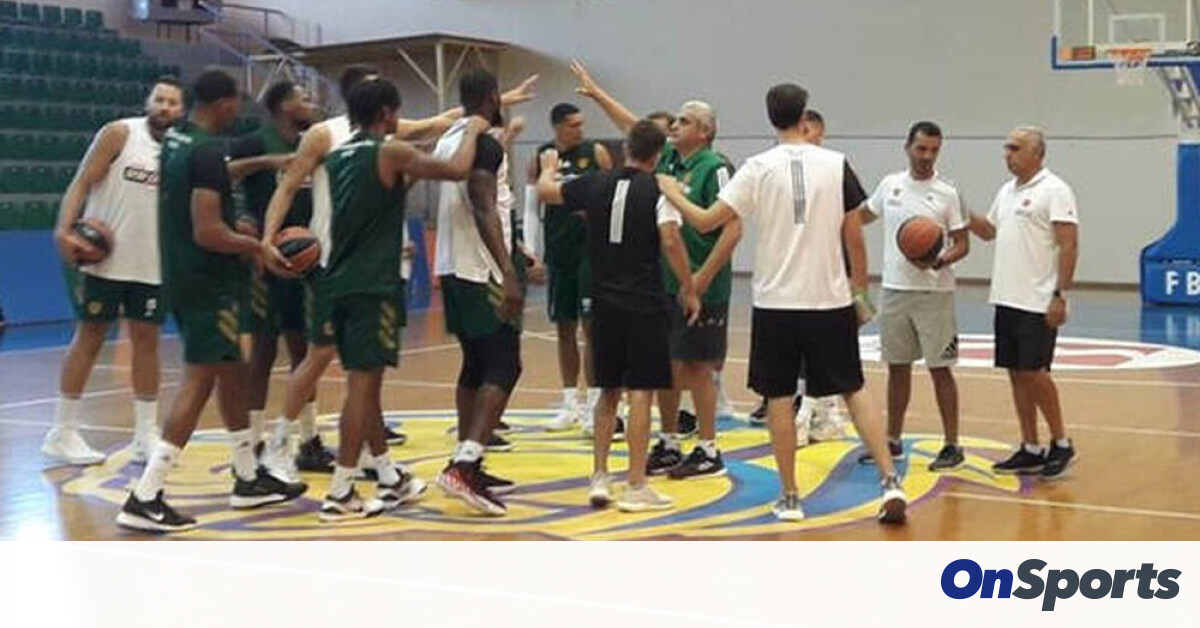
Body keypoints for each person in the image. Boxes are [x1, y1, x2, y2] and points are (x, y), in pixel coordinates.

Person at [261, 66, 539, 475]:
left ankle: (377, 468)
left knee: (365, 376)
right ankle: (287, 447)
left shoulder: (382, 141)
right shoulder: (331, 136)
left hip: (372, 264)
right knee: (331, 361)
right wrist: (268, 238)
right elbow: (288, 186)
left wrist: (499, 102)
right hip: (341, 265)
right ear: (378, 106)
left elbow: (441, 120)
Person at [656, 82, 907, 524]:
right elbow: (854, 234)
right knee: (854, 388)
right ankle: (890, 481)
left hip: (777, 302)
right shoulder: (836, 163)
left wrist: (672, 192)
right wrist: (859, 291)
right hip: (829, 299)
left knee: (778, 397)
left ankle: (790, 497)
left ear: (770, 117)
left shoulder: (757, 167)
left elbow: (708, 221)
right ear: (804, 116)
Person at [116, 70, 307, 533]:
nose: (237, 111)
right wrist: (257, 246)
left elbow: (200, 207)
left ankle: (247, 476)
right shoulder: (203, 151)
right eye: (235, 103)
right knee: (200, 378)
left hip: (183, 273)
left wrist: (233, 225)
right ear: (223, 104)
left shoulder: (177, 140)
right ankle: (146, 494)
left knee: (231, 370)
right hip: (207, 282)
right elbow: (207, 231)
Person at [315, 78, 487, 521]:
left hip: (339, 281)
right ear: (386, 113)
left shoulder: (339, 156)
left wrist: (415, 163)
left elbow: (383, 193)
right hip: (372, 284)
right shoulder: (389, 151)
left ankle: (389, 477)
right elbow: (457, 170)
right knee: (361, 390)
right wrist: (471, 130)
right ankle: (340, 491)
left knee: (365, 387)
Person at [569, 60, 742, 479]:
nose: (675, 126)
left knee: (697, 367)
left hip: (702, 282)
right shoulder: (669, 162)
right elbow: (635, 127)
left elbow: (732, 228)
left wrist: (700, 279)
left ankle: (708, 448)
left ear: (705, 131)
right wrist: (598, 93)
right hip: (664, 283)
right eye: (675, 121)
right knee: (667, 365)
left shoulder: (715, 167)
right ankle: (669, 441)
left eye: (685, 121)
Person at [537, 119, 699, 511]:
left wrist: (548, 168)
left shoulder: (595, 182)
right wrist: (689, 286)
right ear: (657, 155)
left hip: (603, 301)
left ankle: (599, 477)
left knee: (607, 391)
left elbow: (546, 192)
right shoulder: (659, 188)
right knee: (640, 392)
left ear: (626, 149)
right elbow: (670, 239)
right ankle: (637, 484)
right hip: (644, 303)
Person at [42, 77, 186, 466]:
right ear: (148, 101)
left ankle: (145, 435)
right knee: (89, 338)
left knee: (147, 342)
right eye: (159, 99)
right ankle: (62, 431)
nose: (165, 107)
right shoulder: (120, 133)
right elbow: (81, 182)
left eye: (173, 102)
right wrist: (63, 229)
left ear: (182, 110)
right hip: (104, 261)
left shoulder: (181, 149)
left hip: (153, 264)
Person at [433, 69, 527, 516]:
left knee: (475, 363)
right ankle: (465, 465)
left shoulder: (449, 137)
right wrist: (507, 270)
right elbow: (483, 204)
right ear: (493, 97)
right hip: (481, 267)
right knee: (505, 364)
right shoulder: (485, 143)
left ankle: (467, 455)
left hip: (452, 265)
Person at [967, 127, 1079, 479]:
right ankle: (1030, 447)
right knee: (1016, 374)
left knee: (1035, 373)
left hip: (1037, 300)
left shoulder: (1054, 190)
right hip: (1006, 297)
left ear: (1037, 153)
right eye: (1006, 147)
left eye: (1015, 148)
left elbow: (1069, 244)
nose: (1007, 153)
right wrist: (960, 209)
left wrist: (1060, 295)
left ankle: (1061, 442)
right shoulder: (1006, 191)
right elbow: (988, 231)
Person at [859, 121, 970, 471]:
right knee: (897, 368)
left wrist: (938, 260)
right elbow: (862, 216)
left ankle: (952, 445)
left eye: (934, 150)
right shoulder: (890, 185)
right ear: (907, 147)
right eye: (921, 148)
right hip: (895, 290)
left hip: (934, 293)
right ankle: (892, 439)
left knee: (941, 370)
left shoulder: (948, 192)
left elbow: (962, 244)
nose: (927, 156)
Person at [226, 80, 319, 466]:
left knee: (305, 350)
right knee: (263, 350)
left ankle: (309, 439)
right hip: (267, 258)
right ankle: (253, 439)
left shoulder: (314, 142)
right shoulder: (253, 142)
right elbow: (225, 175)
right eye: (303, 98)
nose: (310, 103)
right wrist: (268, 162)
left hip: (305, 259)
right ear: (283, 106)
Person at [527, 103, 613, 433]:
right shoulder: (542, 157)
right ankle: (569, 404)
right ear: (558, 127)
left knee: (592, 328)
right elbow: (533, 208)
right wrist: (532, 253)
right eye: (574, 125)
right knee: (564, 327)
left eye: (581, 124)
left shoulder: (596, 153)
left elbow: (610, 197)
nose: (580, 130)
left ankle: (594, 405)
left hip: (591, 253)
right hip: (559, 251)